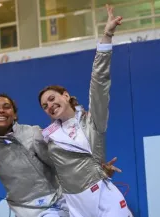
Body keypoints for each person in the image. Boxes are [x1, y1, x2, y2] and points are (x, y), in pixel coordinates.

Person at [38, 5, 132, 217]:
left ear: (66, 95)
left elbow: (99, 83)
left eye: (52, 99)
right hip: (74, 204)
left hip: (103, 197)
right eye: (45, 106)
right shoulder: (46, 136)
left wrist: (107, 36)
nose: (50, 106)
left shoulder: (93, 121)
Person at [0, 94, 69, 217]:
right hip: (22, 211)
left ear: (14, 115)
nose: (1, 110)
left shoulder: (32, 133)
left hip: (52, 205)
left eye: (6, 107)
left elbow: (60, 163)